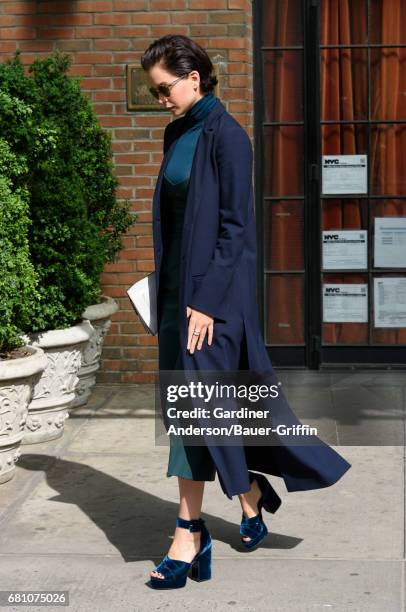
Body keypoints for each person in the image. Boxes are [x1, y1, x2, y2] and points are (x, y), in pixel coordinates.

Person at [140, 34, 351, 590]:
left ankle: (189, 533)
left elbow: (236, 228)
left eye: (165, 88)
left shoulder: (227, 137)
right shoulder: (176, 131)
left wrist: (205, 302)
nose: (161, 99)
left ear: (193, 76)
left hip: (212, 301)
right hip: (175, 296)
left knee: (198, 409)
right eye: (155, 92)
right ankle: (249, 495)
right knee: (193, 410)